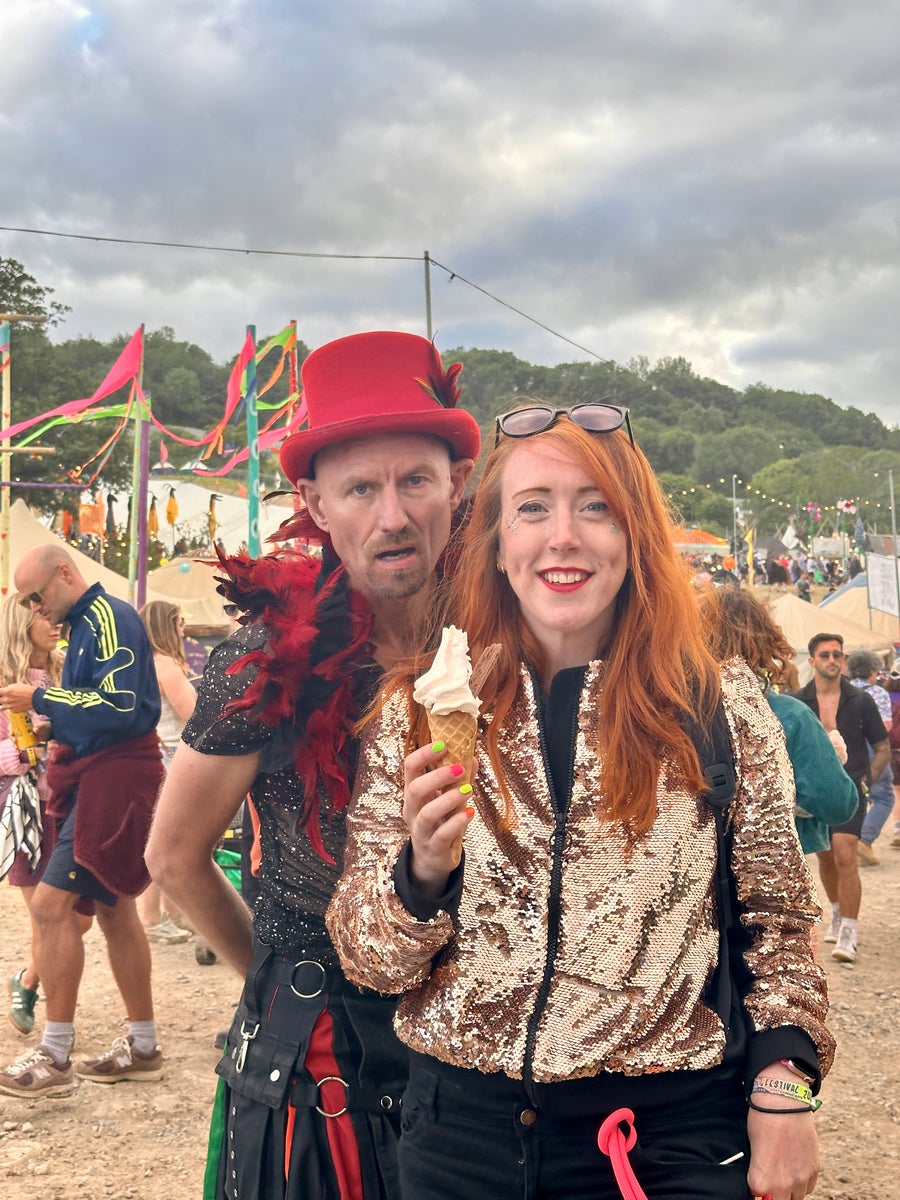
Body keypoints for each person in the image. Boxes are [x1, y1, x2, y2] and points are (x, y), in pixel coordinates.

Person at [328, 405, 833, 1200]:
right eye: (533, 507)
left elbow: (778, 922)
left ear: (635, 539)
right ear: (496, 545)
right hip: (460, 1142)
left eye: (596, 506)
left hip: (660, 1142)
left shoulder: (719, 707)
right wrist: (419, 874)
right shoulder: (419, 708)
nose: (563, 535)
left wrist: (786, 1089)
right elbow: (367, 961)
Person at [144, 330, 480, 1200]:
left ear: (460, 483)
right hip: (325, 1060)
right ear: (314, 502)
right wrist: (274, 969)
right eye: (360, 488)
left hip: (492, 1054)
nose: (393, 515)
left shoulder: (513, 642)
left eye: (415, 479)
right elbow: (174, 858)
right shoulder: (265, 663)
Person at [0, 545, 165, 1098]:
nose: (34, 609)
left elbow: (121, 706)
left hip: (115, 781)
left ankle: (55, 1055)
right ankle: (143, 1048)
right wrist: (51, 729)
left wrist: (41, 696)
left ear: (65, 575)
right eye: (26, 602)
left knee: (50, 908)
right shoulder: (87, 624)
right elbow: (103, 708)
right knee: (117, 911)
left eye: (36, 596)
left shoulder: (108, 615)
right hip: (104, 776)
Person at [699, 586, 857, 854]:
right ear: (764, 639)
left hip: (691, 876)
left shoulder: (666, 716)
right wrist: (829, 759)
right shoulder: (790, 716)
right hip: (770, 874)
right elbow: (838, 804)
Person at [793, 633, 891, 965]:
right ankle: (836, 911)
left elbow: (881, 748)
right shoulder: (799, 702)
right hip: (814, 794)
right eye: (825, 655)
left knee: (846, 854)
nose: (832, 660)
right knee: (825, 858)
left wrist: (866, 782)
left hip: (851, 789)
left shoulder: (861, 700)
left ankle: (849, 930)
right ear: (812, 661)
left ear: (844, 659)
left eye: (837, 654)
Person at [0, 595, 65, 1033]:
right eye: (42, 615)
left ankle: (26, 979)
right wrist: (26, 750)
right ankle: (51, 1015)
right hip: (27, 812)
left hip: (68, 802)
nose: (53, 621)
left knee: (72, 918)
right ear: (24, 621)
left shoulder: (66, 670)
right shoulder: (7, 680)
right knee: (48, 914)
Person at [136, 600, 198, 945]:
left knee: (162, 841)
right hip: (172, 760)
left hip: (159, 756)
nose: (183, 629)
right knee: (166, 843)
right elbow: (191, 713)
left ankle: (169, 914)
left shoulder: (145, 664)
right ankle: (152, 917)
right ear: (165, 626)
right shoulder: (167, 665)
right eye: (179, 623)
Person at [846, 649, 894, 867]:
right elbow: (885, 726)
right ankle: (864, 840)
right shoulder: (877, 693)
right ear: (873, 670)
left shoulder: (844, 690)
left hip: (849, 747)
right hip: (873, 747)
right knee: (884, 796)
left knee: (857, 796)